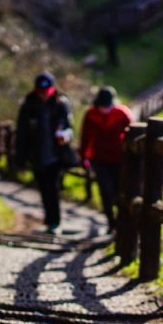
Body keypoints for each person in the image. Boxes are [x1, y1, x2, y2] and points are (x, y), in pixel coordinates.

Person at [15, 72, 73, 234]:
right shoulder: (28, 106)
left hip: (56, 155)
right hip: (36, 154)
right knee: (42, 187)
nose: (43, 96)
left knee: (52, 187)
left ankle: (55, 222)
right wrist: (20, 159)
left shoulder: (61, 105)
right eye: (41, 92)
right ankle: (49, 219)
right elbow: (22, 134)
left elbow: (70, 128)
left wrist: (65, 136)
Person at [78, 86, 133, 232]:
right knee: (105, 190)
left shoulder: (122, 114)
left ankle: (121, 220)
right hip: (99, 159)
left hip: (119, 159)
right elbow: (85, 137)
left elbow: (133, 135)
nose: (104, 109)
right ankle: (111, 222)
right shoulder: (90, 114)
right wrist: (83, 156)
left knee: (118, 190)